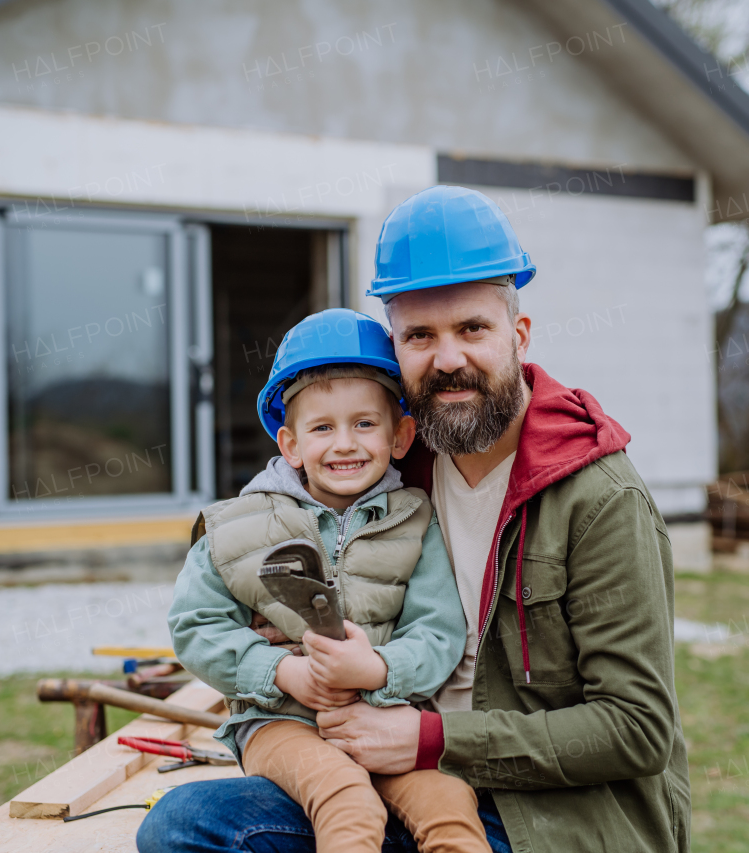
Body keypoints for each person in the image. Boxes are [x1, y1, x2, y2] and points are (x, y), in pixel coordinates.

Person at [139, 186, 690, 853]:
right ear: (394, 349)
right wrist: (280, 634)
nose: (448, 357)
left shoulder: (598, 496)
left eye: (472, 328)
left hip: (551, 812)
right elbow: (289, 501)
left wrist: (429, 737)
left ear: (518, 335)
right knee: (186, 824)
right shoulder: (403, 461)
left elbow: (635, 726)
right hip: (384, 762)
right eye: (420, 335)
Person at [165, 308, 490, 852]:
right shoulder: (237, 526)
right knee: (346, 799)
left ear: (401, 435)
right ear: (290, 444)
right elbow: (195, 626)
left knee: (451, 806)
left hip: (385, 717)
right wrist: (281, 672)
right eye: (322, 428)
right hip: (279, 723)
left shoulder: (413, 519)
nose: (345, 443)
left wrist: (380, 669)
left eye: (365, 423)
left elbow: (439, 630)